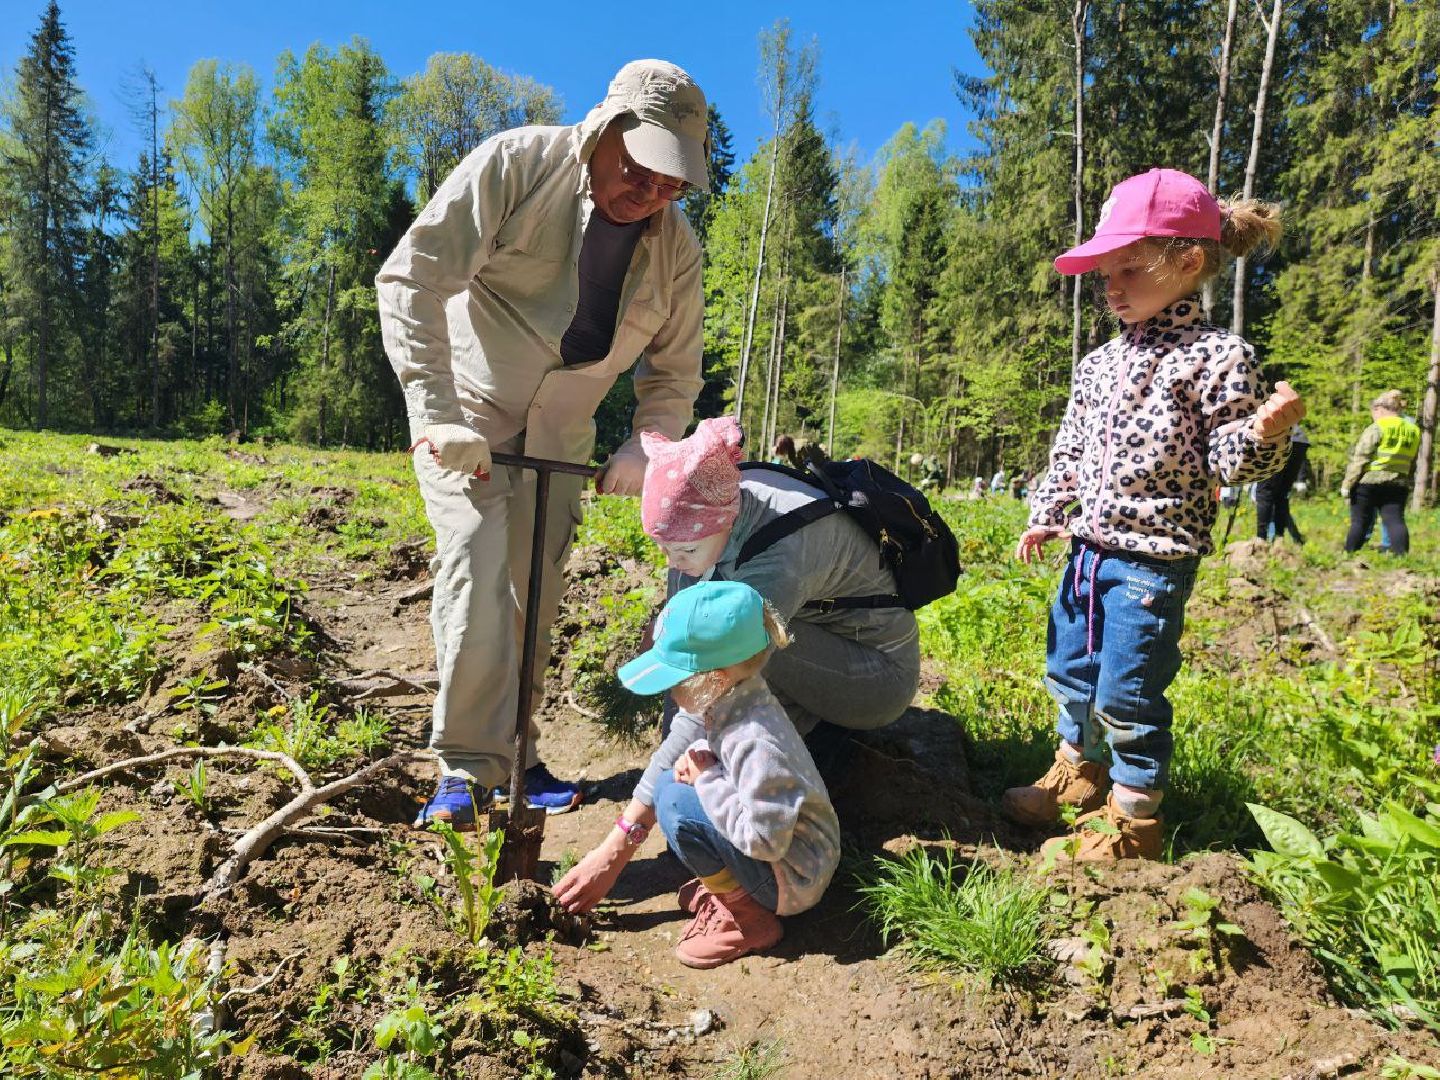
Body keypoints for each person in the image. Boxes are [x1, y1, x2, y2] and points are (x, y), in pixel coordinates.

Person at [376, 60, 710, 827]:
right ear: (604, 129)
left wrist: (647, 444)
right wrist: (436, 413)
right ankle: (465, 770)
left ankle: (517, 758)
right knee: (478, 574)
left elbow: (675, 369)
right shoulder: (516, 165)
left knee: (536, 595)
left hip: (563, 437)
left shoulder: (676, 248)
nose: (653, 193)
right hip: (471, 415)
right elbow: (409, 279)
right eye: (640, 170)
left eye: (673, 183)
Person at [1006, 168, 1304, 861]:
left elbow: (1231, 458)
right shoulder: (1098, 364)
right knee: (1071, 665)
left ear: (1189, 263)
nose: (1113, 288)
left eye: (1130, 271)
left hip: (1153, 559)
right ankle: (1077, 769)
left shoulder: (1218, 357)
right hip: (1088, 552)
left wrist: (1267, 433)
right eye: (1106, 273)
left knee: (1129, 684)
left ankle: (1134, 816)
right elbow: (1071, 447)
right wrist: (1048, 511)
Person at [551, 416, 918, 912]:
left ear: (722, 522)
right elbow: (686, 663)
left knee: (736, 664)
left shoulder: (776, 561)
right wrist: (667, 788)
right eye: (663, 550)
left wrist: (620, 841)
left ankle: (753, 850)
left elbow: (705, 688)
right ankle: (744, 785)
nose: (674, 561)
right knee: (711, 661)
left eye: (682, 551)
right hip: (813, 648)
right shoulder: (699, 514)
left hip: (874, 677)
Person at [595, 579, 839, 968]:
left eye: (676, 681)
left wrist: (706, 779)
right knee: (671, 788)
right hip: (791, 860)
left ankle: (748, 918)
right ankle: (737, 887)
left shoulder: (754, 739)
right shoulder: (738, 700)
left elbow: (765, 841)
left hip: (794, 877)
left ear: (715, 678)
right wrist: (706, 760)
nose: (670, 692)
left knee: (674, 801)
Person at [1341, 390, 1419, 557]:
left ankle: (1348, 554)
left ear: (1379, 409)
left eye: (1373, 413)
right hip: (1398, 483)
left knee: (1360, 522)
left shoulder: (1378, 427)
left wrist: (1347, 484)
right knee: (1395, 520)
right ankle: (1401, 557)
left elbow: (1360, 458)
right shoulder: (1413, 430)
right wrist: (1407, 480)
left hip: (1369, 482)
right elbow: (1412, 460)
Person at [1256, 424, 1309, 543]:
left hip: (1277, 437)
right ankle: (1279, 538)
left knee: (1265, 492)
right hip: (1299, 440)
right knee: (1281, 494)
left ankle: (1261, 539)